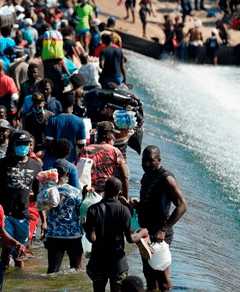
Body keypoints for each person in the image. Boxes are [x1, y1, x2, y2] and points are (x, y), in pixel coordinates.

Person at [133, 146, 188, 292]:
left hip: (160, 235)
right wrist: (139, 204)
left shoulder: (166, 178)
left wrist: (164, 229)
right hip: (145, 232)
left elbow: (182, 205)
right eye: (144, 160)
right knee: (148, 275)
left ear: (159, 160)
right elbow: (152, 200)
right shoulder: (146, 176)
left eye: (150, 160)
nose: (146, 164)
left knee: (162, 275)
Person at [84, 177, 149, 292]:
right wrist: (143, 232)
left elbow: (92, 238)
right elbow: (131, 238)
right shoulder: (123, 210)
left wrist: (85, 226)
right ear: (119, 192)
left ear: (104, 189)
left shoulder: (92, 210)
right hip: (117, 261)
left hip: (98, 260)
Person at [0, 131, 41, 269]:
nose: (22, 146)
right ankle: (2, 276)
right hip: (5, 213)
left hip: (23, 215)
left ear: (30, 146)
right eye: (19, 144)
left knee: (20, 253)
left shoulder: (36, 166)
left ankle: (20, 280)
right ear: (14, 145)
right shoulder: (3, 163)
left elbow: (38, 192)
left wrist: (43, 218)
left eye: (25, 144)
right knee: (6, 247)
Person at [44, 159, 84, 274]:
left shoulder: (47, 190)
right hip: (73, 235)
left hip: (54, 235)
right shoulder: (75, 192)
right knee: (77, 271)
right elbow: (80, 209)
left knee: (52, 272)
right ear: (67, 173)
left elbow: (42, 206)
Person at [77, 121, 129, 196]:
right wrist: (126, 197)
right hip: (106, 195)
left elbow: (79, 172)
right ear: (107, 135)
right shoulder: (115, 151)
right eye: (113, 134)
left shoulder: (86, 150)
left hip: (87, 192)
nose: (114, 137)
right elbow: (125, 176)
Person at [43, 92, 86, 168]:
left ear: (61, 104)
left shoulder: (53, 120)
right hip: (72, 161)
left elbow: (49, 143)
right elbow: (82, 145)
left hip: (55, 161)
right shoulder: (79, 121)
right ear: (73, 104)